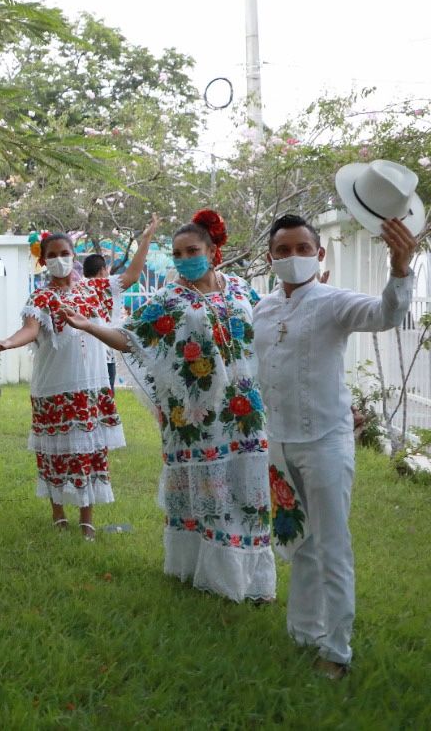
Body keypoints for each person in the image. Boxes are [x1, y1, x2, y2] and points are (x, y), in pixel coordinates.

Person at [62, 210, 276, 602]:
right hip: (196, 416)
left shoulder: (241, 289)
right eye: (177, 254)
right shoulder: (169, 299)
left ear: (211, 251)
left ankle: (253, 580)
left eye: (192, 251)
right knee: (211, 493)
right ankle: (208, 574)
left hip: (246, 410)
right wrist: (90, 326)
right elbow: (131, 339)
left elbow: (271, 327)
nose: (184, 259)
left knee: (247, 488)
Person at [254, 211, 418, 679]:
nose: (293, 257)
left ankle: (337, 650)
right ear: (270, 257)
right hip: (279, 443)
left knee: (331, 546)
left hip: (325, 442)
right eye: (283, 250)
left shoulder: (332, 302)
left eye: (302, 248)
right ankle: (304, 631)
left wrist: (400, 269)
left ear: (319, 253)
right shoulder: (263, 309)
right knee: (298, 540)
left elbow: (386, 314)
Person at [0, 218, 157, 540]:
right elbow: (30, 330)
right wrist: (8, 342)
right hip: (53, 388)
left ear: (74, 255)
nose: (59, 259)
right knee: (55, 453)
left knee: (89, 452)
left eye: (64, 253)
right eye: (52, 255)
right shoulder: (40, 298)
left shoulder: (94, 289)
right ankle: (58, 514)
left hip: (90, 386)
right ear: (43, 261)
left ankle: (87, 519)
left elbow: (132, 277)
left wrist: (146, 239)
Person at [81, 252, 118, 390]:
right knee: (106, 393)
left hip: (84, 351)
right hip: (105, 351)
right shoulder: (105, 286)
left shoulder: (78, 289)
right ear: (102, 270)